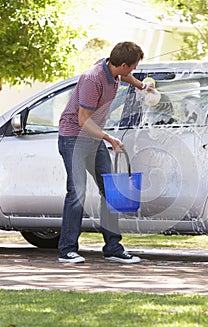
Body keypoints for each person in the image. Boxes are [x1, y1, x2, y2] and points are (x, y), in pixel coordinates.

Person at [58, 41, 149, 264]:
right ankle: (67, 250)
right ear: (124, 64)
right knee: (77, 192)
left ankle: (112, 248)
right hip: (74, 138)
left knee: (110, 191)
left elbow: (125, 77)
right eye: (134, 66)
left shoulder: (114, 72)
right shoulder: (92, 79)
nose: (134, 70)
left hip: (92, 138)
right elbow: (82, 120)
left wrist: (141, 85)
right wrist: (109, 138)